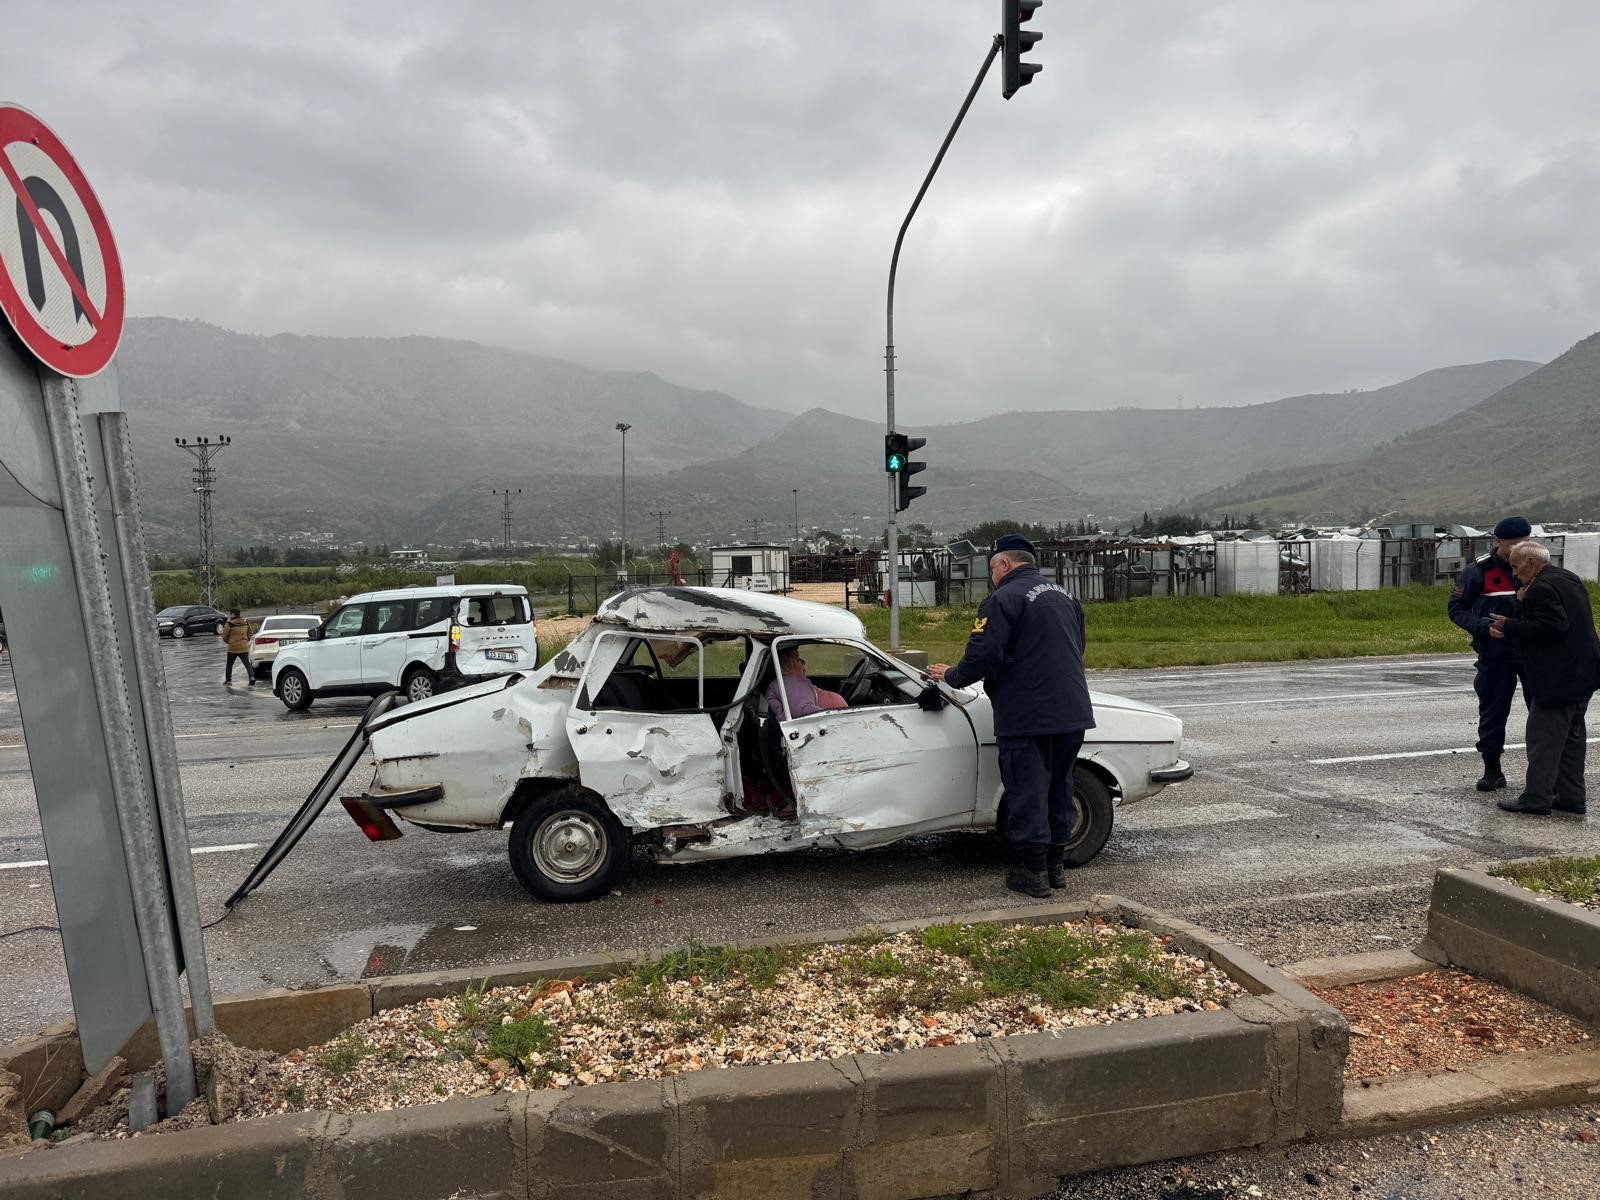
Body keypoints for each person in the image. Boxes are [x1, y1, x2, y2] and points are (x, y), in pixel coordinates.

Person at [930, 535, 1095, 898]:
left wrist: (953, 676)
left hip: (1027, 714)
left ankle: (1032, 873)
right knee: (1059, 786)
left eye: (992, 569)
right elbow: (1076, 647)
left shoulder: (1002, 599)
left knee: (1027, 791)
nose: (992, 576)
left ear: (1003, 565)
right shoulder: (1066, 596)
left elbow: (984, 655)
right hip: (1072, 712)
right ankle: (1055, 867)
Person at [1488, 542, 1600, 816]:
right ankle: (1571, 797)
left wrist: (1510, 625)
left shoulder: (1541, 588)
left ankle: (1536, 798)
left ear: (1530, 563)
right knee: (1572, 737)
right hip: (1583, 673)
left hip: (1558, 677)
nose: (1514, 574)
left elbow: (1553, 627)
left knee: (1544, 738)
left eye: (1516, 567)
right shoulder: (1567, 578)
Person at [1447, 517, 1532, 791]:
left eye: (1525, 542)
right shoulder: (1478, 571)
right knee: (1493, 710)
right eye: (1514, 544)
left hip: (1533, 651)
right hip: (1496, 652)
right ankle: (1492, 770)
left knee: (1543, 710)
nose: (1520, 548)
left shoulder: (1537, 567)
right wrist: (1482, 627)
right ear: (1498, 541)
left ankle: (1544, 771)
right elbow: (1456, 609)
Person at [765, 645, 848, 718]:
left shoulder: (790, 683)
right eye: (797, 659)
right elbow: (801, 711)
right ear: (786, 667)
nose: (804, 662)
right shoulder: (790, 683)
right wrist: (833, 715)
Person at [222, 608, 254, 685]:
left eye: (230, 614)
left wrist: (229, 642)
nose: (230, 615)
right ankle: (252, 677)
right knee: (247, 663)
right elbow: (250, 633)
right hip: (243, 647)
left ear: (233, 614)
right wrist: (245, 641)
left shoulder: (229, 623)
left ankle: (228, 681)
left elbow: (224, 636)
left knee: (229, 664)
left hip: (232, 648)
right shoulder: (245, 622)